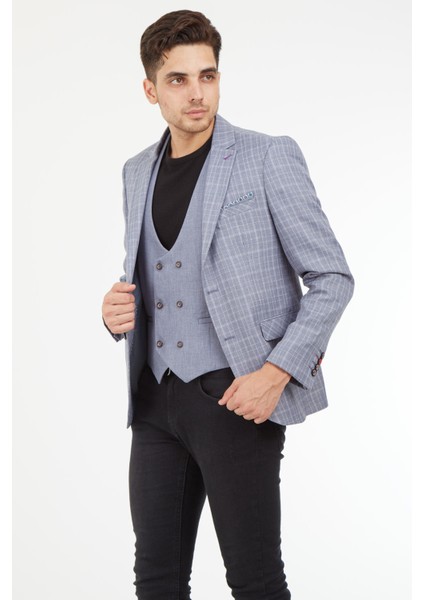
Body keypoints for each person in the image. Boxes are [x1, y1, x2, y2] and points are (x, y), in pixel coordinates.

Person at [102, 9, 354, 600]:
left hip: (237, 399)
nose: (197, 93)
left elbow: (333, 277)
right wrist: (113, 313)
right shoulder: (135, 172)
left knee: (255, 582)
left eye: (208, 76)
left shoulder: (267, 156)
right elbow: (155, 273)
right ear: (150, 90)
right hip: (154, 402)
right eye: (178, 79)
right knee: (156, 582)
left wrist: (276, 372)